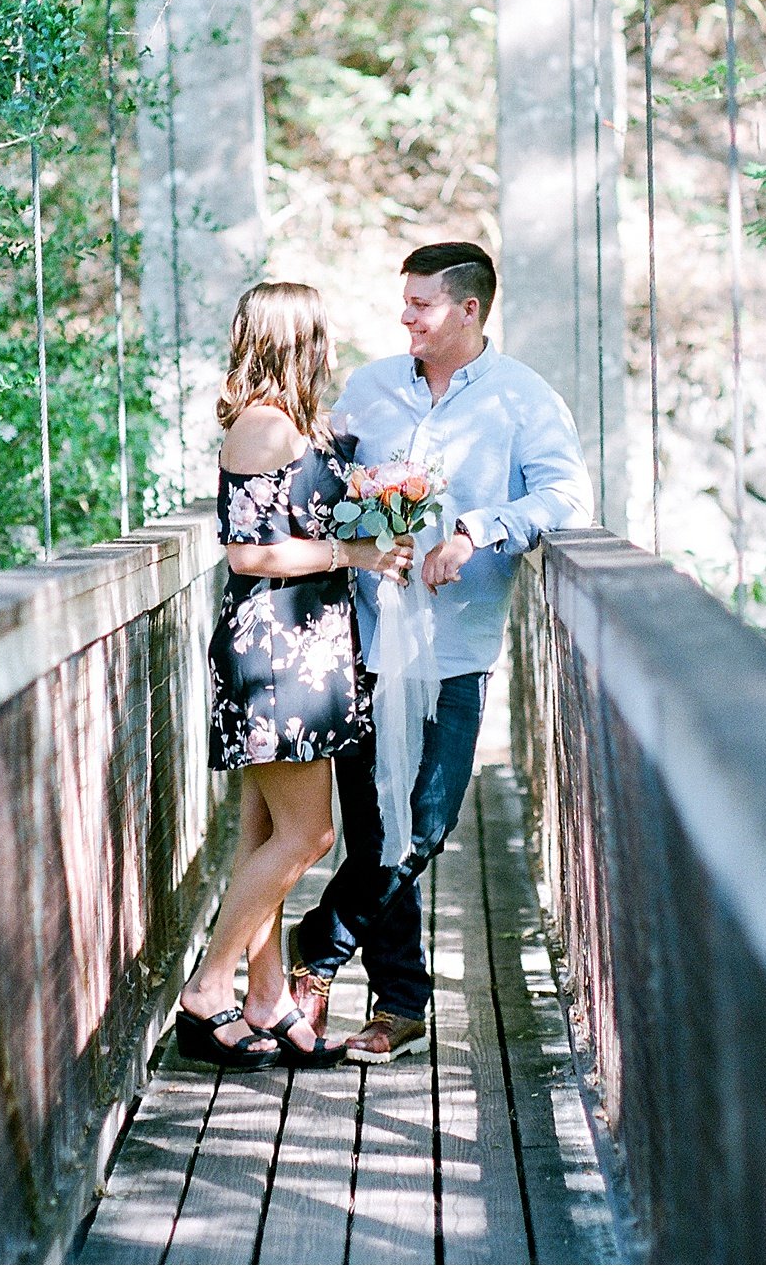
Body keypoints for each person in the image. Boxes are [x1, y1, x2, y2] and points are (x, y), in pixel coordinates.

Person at [289, 241, 592, 1063]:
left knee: (420, 830)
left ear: (468, 309)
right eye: (404, 301)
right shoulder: (369, 388)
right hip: (359, 640)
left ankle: (311, 956)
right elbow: (317, 485)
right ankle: (398, 1005)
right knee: (373, 829)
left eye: (421, 304)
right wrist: (352, 514)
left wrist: (476, 529)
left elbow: (566, 494)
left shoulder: (525, 400)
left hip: (457, 647)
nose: (405, 317)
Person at [174, 281, 413, 1071]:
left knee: (265, 835)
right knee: (310, 835)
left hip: (310, 647)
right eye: (321, 332)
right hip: (275, 651)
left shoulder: (301, 425)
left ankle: (268, 998)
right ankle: (208, 990)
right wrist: (356, 554)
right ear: (296, 339)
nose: (331, 344)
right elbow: (247, 554)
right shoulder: (261, 427)